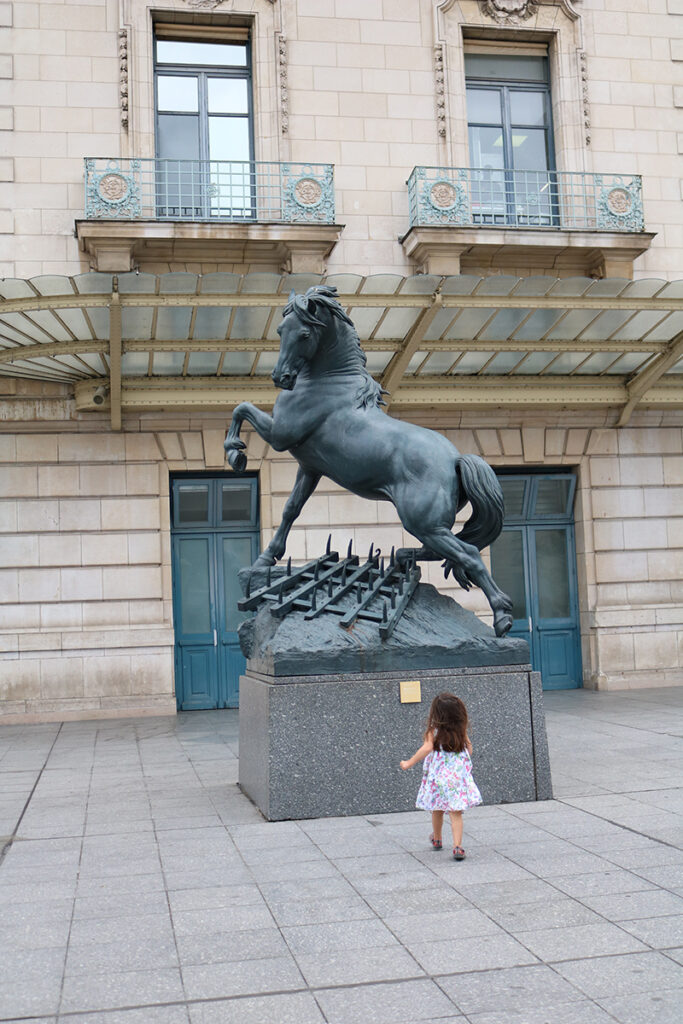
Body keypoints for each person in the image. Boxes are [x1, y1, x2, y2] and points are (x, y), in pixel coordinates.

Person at [400, 692, 482, 860]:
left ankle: (437, 839)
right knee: (455, 812)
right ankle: (458, 846)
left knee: (437, 808)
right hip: (457, 779)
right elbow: (470, 750)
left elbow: (426, 748)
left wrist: (409, 762)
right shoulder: (461, 729)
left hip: (438, 778)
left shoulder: (433, 731)